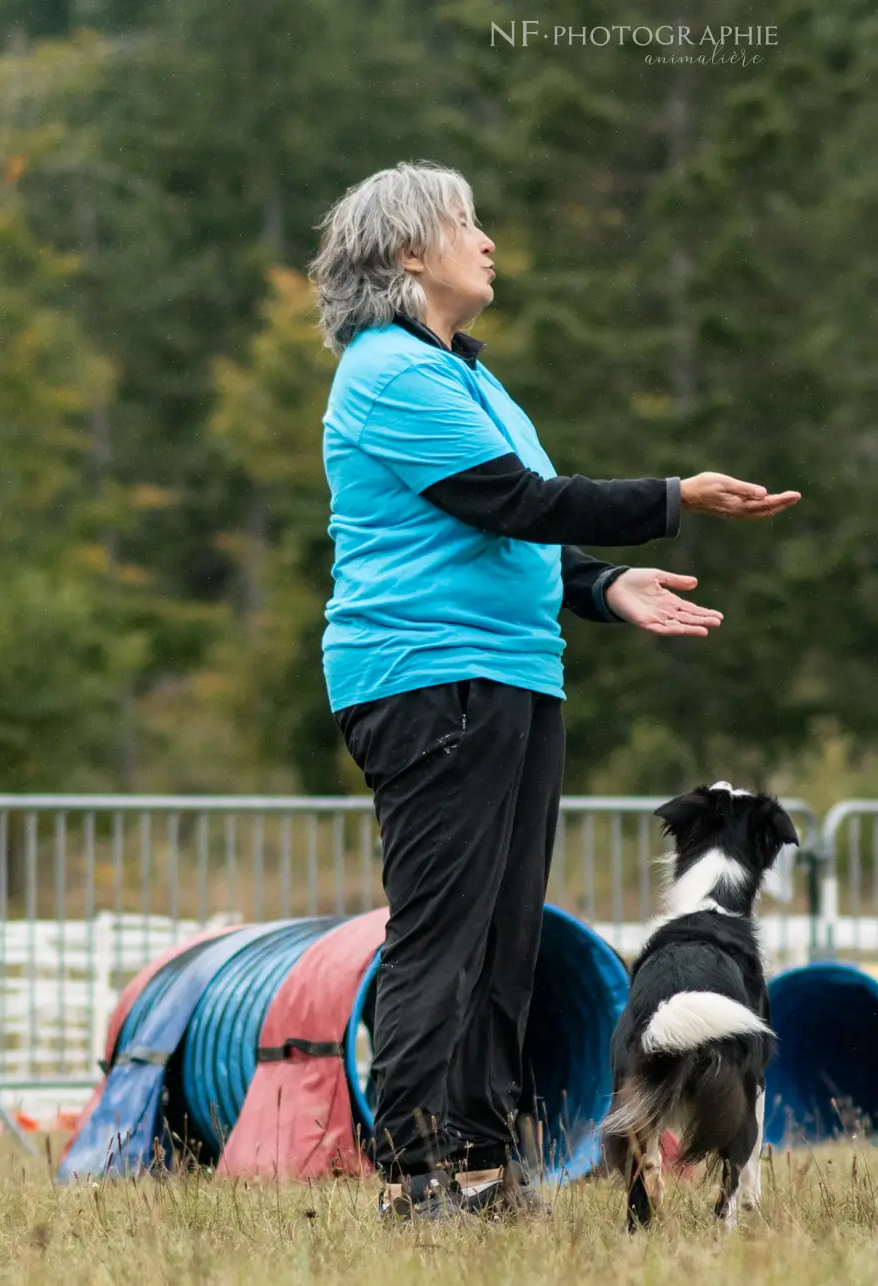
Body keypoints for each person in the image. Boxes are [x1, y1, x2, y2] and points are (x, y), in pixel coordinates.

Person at [308, 161, 799, 1222]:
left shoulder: (467, 377)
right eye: (464, 224)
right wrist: (674, 496)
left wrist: (605, 581)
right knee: (443, 935)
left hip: (511, 674)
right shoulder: (387, 371)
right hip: (426, 678)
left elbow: (519, 535)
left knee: (505, 937)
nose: (486, 240)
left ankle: (482, 1167)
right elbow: (512, 500)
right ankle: (417, 1173)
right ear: (405, 254)